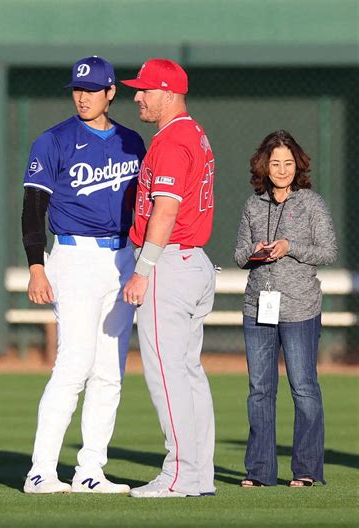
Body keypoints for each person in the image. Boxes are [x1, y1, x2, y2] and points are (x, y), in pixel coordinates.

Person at [21, 56, 146, 494]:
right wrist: (37, 265)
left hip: (121, 259)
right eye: (77, 88)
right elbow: (33, 209)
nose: (83, 96)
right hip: (72, 256)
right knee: (74, 363)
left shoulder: (133, 143)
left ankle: (91, 470)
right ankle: (41, 471)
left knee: (110, 370)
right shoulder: (53, 140)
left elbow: (146, 209)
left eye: (92, 89)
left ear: (111, 92)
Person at [120, 59, 217, 498]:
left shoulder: (174, 139)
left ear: (169, 92)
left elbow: (165, 209)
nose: (137, 96)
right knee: (189, 372)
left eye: (145, 90)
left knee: (168, 375)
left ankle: (179, 475)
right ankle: (198, 475)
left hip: (168, 265)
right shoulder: (191, 132)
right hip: (191, 261)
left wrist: (143, 270)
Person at [234, 130, 338, 488]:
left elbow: (328, 252)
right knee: (260, 390)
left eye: (288, 163)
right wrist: (255, 252)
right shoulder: (252, 204)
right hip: (257, 307)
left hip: (300, 308)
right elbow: (238, 254)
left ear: (298, 166)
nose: (281, 169)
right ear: (264, 165)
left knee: (303, 387)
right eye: (275, 163)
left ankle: (307, 470)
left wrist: (291, 246)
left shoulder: (312, 204)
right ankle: (259, 472)